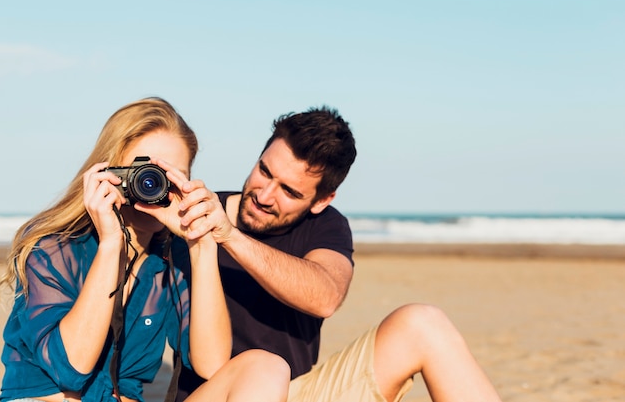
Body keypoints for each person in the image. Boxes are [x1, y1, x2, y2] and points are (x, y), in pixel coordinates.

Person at [174, 106, 502, 402]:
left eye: (289, 191)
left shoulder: (325, 226)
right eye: (264, 171)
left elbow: (326, 295)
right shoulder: (196, 216)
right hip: (219, 393)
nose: (265, 195)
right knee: (264, 366)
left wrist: (231, 238)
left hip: (298, 392)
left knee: (423, 323)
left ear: (321, 201)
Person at [0, 98, 290, 402]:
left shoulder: (170, 259)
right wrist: (112, 243)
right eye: (143, 171)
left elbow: (213, 365)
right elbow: (71, 369)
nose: (151, 186)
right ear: (108, 170)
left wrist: (201, 246)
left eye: (168, 176)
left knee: (266, 367)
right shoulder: (55, 247)